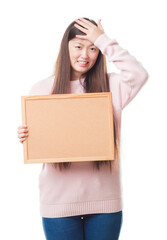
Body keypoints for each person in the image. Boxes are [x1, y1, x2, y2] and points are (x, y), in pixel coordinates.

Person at [17, 18, 149, 240]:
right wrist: (29, 136)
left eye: (93, 48)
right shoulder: (41, 89)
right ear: (66, 47)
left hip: (104, 203)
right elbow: (43, 142)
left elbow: (139, 74)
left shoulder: (113, 85)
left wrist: (104, 40)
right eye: (78, 46)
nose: (85, 55)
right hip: (58, 203)